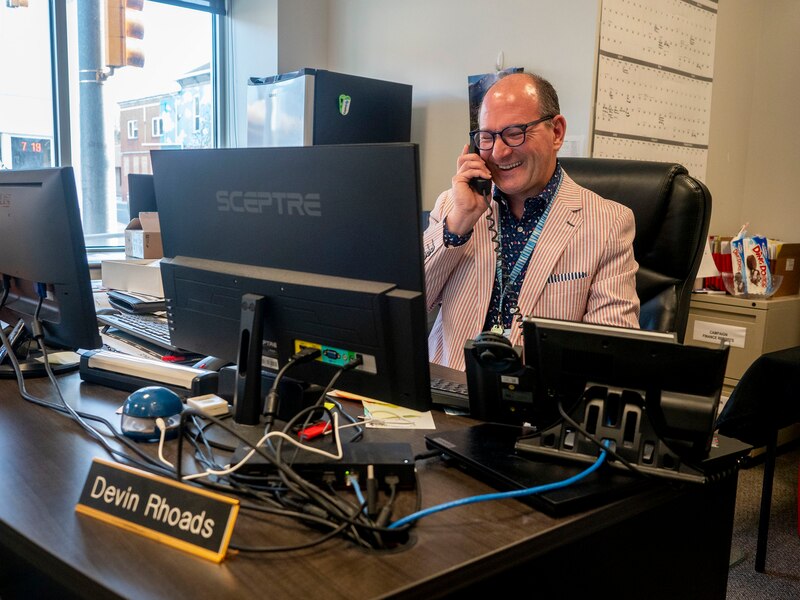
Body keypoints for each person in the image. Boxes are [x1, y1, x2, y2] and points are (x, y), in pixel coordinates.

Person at [424, 71, 640, 370]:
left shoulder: (608, 223)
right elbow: (406, 309)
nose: (499, 152)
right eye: (487, 137)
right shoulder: (454, 205)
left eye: (515, 132)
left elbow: (612, 347)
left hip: (539, 405)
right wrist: (458, 224)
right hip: (445, 395)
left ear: (557, 132)